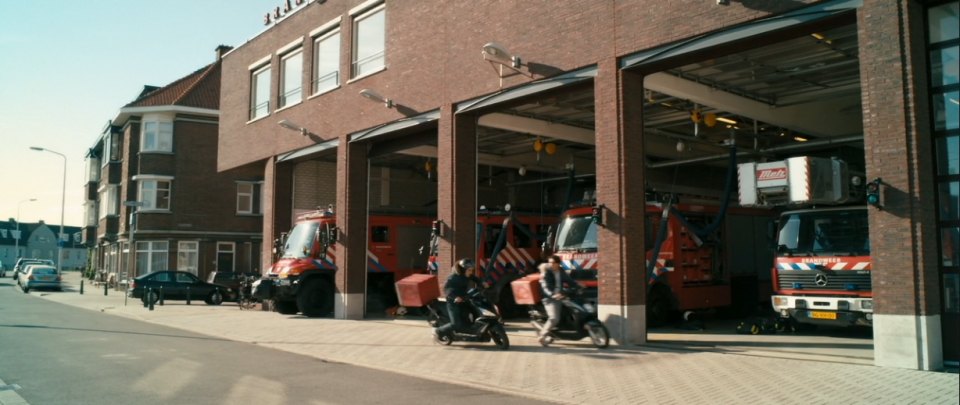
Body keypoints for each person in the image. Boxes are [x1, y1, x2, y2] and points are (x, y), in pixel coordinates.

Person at [434, 258, 485, 340]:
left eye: (472, 270)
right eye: (469, 270)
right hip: (453, 302)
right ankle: (439, 331)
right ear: (463, 269)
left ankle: (473, 331)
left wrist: (482, 283)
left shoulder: (467, 275)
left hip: (464, 298)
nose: (471, 272)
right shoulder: (453, 277)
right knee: (455, 324)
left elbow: (474, 278)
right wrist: (455, 297)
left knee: (475, 311)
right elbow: (446, 289)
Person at [538, 254, 581, 345]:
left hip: (561, 296)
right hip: (549, 298)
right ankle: (542, 335)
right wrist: (553, 295)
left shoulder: (561, 271)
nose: (551, 265)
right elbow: (545, 287)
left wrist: (578, 286)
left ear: (558, 263)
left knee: (574, 311)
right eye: (549, 263)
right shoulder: (546, 272)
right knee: (554, 318)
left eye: (553, 263)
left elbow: (569, 281)